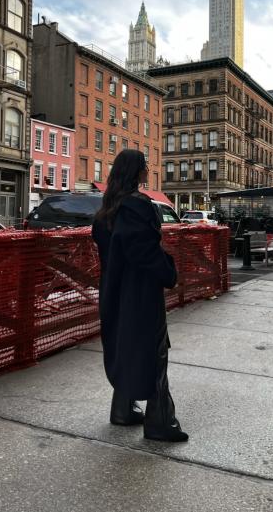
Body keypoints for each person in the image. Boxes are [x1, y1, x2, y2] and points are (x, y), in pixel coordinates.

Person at [92, 149, 188, 442]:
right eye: (145, 166)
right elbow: (144, 251)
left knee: (124, 345)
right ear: (136, 172)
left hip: (114, 289)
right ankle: (160, 422)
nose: (148, 171)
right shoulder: (138, 206)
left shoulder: (108, 208)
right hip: (140, 291)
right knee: (154, 351)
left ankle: (123, 410)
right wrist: (169, 272)